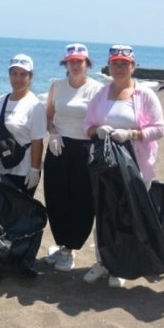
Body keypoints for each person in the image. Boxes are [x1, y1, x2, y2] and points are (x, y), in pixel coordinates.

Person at [83, 45, 164, 288]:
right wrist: (96, 131)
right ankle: (103, 261)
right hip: (105, 166)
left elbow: (159, 129)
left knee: (129, 216)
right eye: (115, 63)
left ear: (133, 66)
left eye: (124, 63)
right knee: (104, 212)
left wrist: (132, 134)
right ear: (109, 66)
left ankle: (121, 264)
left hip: (135, 166)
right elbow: (86, 127)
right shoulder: (101, 94)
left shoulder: (144, 95)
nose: (119, 68)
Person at [43, 44, 103, 272]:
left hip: (84, 149)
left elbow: (101, 121)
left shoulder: (96, 89)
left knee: (82, 201)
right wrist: (54, 132)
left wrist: (93, 143)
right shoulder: (56, 86)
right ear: (65, 64)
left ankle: (71, 249)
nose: (76, 65)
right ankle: (62, 245)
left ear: (87, 64)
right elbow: (49, 116)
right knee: (56, 198)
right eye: (71, 61)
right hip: (58, 148)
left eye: (80, 61)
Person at [0, 53, 45, 195]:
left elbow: (38, 141)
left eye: (23, 74)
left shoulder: (35, 105)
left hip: (21, 172)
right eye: (14, 73)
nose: (18, 79)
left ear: (30, 77)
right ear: (9, 75)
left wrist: (34, 170)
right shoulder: (0, 101)